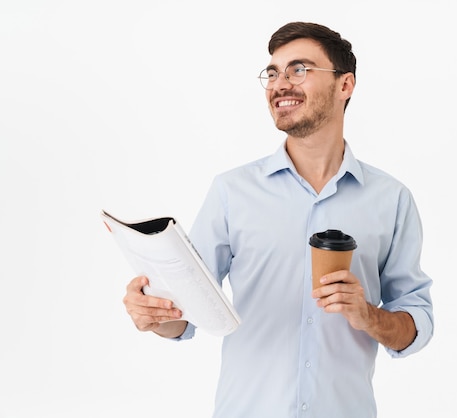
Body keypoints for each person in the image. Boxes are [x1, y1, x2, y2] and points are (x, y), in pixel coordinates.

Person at [122, 21, 434, 418]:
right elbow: (186, 316)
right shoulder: (232, 192)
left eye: (299, 70)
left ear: (345, 85)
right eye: (272, 72)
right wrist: (153, 316)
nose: (280, 83)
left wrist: (367, 314)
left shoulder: (391, 200)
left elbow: (416, 324)